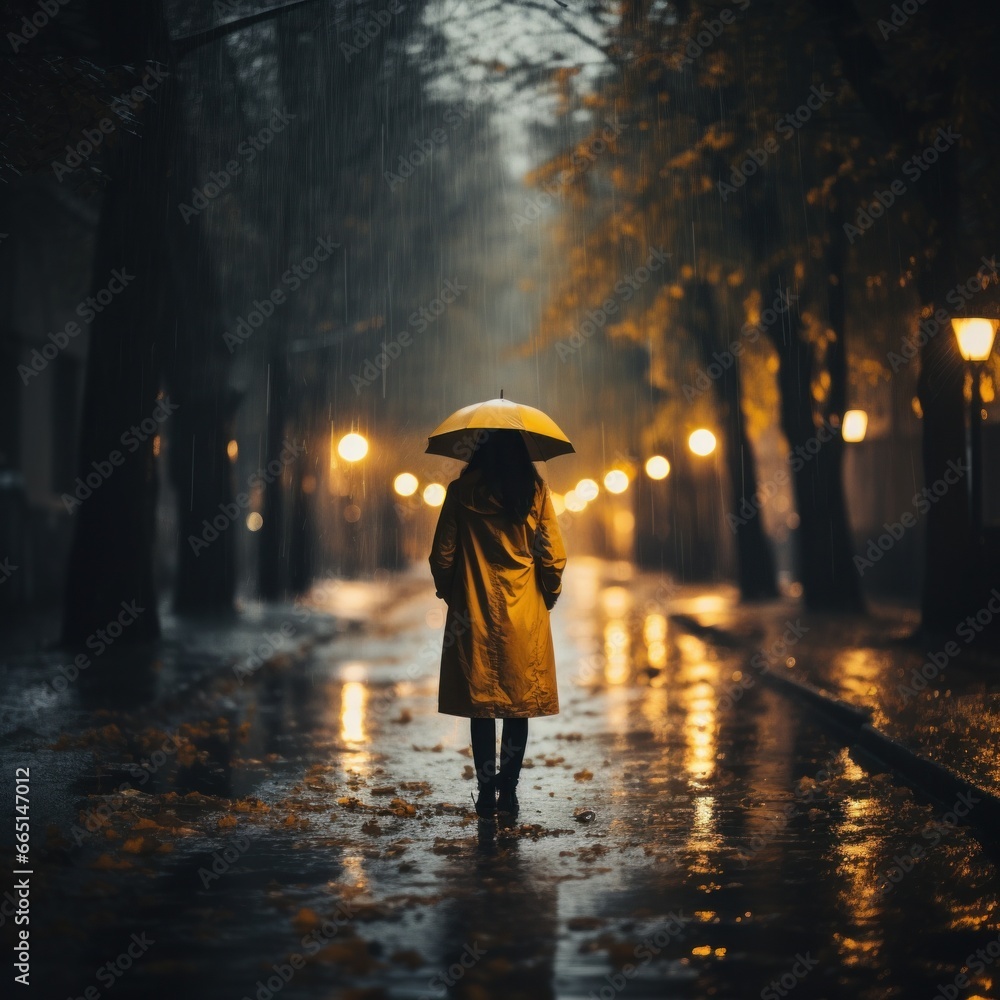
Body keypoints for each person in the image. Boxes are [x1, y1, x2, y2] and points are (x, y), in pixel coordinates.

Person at [428, 429, 567, 820]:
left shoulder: (459, 493)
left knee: (481, 705)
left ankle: (486, 792)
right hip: (524, 613)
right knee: (517, 706)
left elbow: (442, 557)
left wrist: (450, 592)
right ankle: (509, 790)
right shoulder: (535, 493)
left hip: (472, 612)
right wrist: (548, 595)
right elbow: (553, 557)